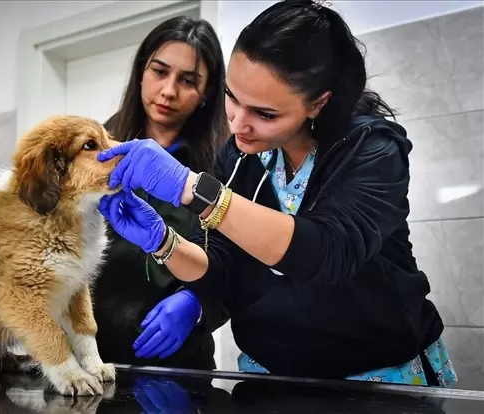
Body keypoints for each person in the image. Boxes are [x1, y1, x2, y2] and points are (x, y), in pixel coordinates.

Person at [97, 0, 458, 386]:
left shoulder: (371, 149)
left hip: (378, 379)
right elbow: (224, 272)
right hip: (271, 379)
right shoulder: (238, 157)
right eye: (232, 98)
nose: (238, 124)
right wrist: (164, 243)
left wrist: (191, 189)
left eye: (265, 114)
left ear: (318, 103)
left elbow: (327, 252)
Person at [92, 15, 230, 370]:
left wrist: (198, 304)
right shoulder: (95, 150)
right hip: (92, 359)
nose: (169, 91)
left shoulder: (225, 164)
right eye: (159, 71)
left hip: (183, 367)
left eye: (188, 80)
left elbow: (240, 267)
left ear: (207, 92)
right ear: (141, 71)